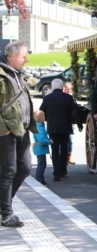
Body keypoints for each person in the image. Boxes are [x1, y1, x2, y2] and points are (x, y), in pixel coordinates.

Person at [0, 40, 38, 228]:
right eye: (24, 57)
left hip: (22, 129)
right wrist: (3, 127)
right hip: (6, 131)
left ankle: (2, 204)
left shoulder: (18, 74)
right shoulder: (1, 75)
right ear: (13, 56)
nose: (27, 60)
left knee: (25, 168)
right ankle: (6, 214)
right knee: (8, 172)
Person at [40, 79, 83, 181]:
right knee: (64, 148)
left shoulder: (47, 98)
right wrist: (79, 124)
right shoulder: (68, 98)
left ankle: (56, 172)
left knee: (54, 150)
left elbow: (41, 112)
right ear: (62, 87)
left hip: (53, 127)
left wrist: (45, 120)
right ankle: (63, 169)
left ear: (52, 87)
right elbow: (74, 112)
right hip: (65, 127)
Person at [32, 110, 52, 186]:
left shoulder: (39, 126)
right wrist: (49, 141)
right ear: (40, 118)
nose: (45, 118)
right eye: (43, 116)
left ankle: (40, 178)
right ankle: (39, 179)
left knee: (42, 164)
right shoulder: (39, 127)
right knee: (41, 164)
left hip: (40, 148)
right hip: (40, 148)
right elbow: (41, 139)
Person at [63, 82, 76, 165]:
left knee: (70, 141)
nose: (68, 91)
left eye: (70, 90)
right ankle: (62, 157)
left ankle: (69, 157)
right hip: (63, 122)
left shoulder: (71, 97)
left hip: (70, 122)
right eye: (67, 89)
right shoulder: (62, 97)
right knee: (63, 141)